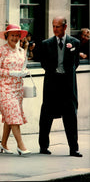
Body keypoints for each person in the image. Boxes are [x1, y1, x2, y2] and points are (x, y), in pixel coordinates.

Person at [39, 16, 82, 157]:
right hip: (51, 84)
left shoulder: (74, 42)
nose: (55, 29)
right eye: (53, 26)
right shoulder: (46, 44)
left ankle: (73, 148)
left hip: (68, 85)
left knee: (70, 116)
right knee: (46, 116)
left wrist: (66, 73)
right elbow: (43, 63)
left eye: (58, 26)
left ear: (65, 27)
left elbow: (76, 63)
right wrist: (55, 72)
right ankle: (43, 147)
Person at [0, 24, 31, 155]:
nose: (15, 38)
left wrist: (24, 72)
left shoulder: (21, 50)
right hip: (5, 88)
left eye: (17, 35)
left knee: (10, 116)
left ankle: (3, 144)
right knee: (14, 115)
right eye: (12, 35)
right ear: (6, 36)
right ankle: (21, 146)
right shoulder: (1, 50)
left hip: (18, 88)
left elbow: (23, 66)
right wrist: (12, 73)